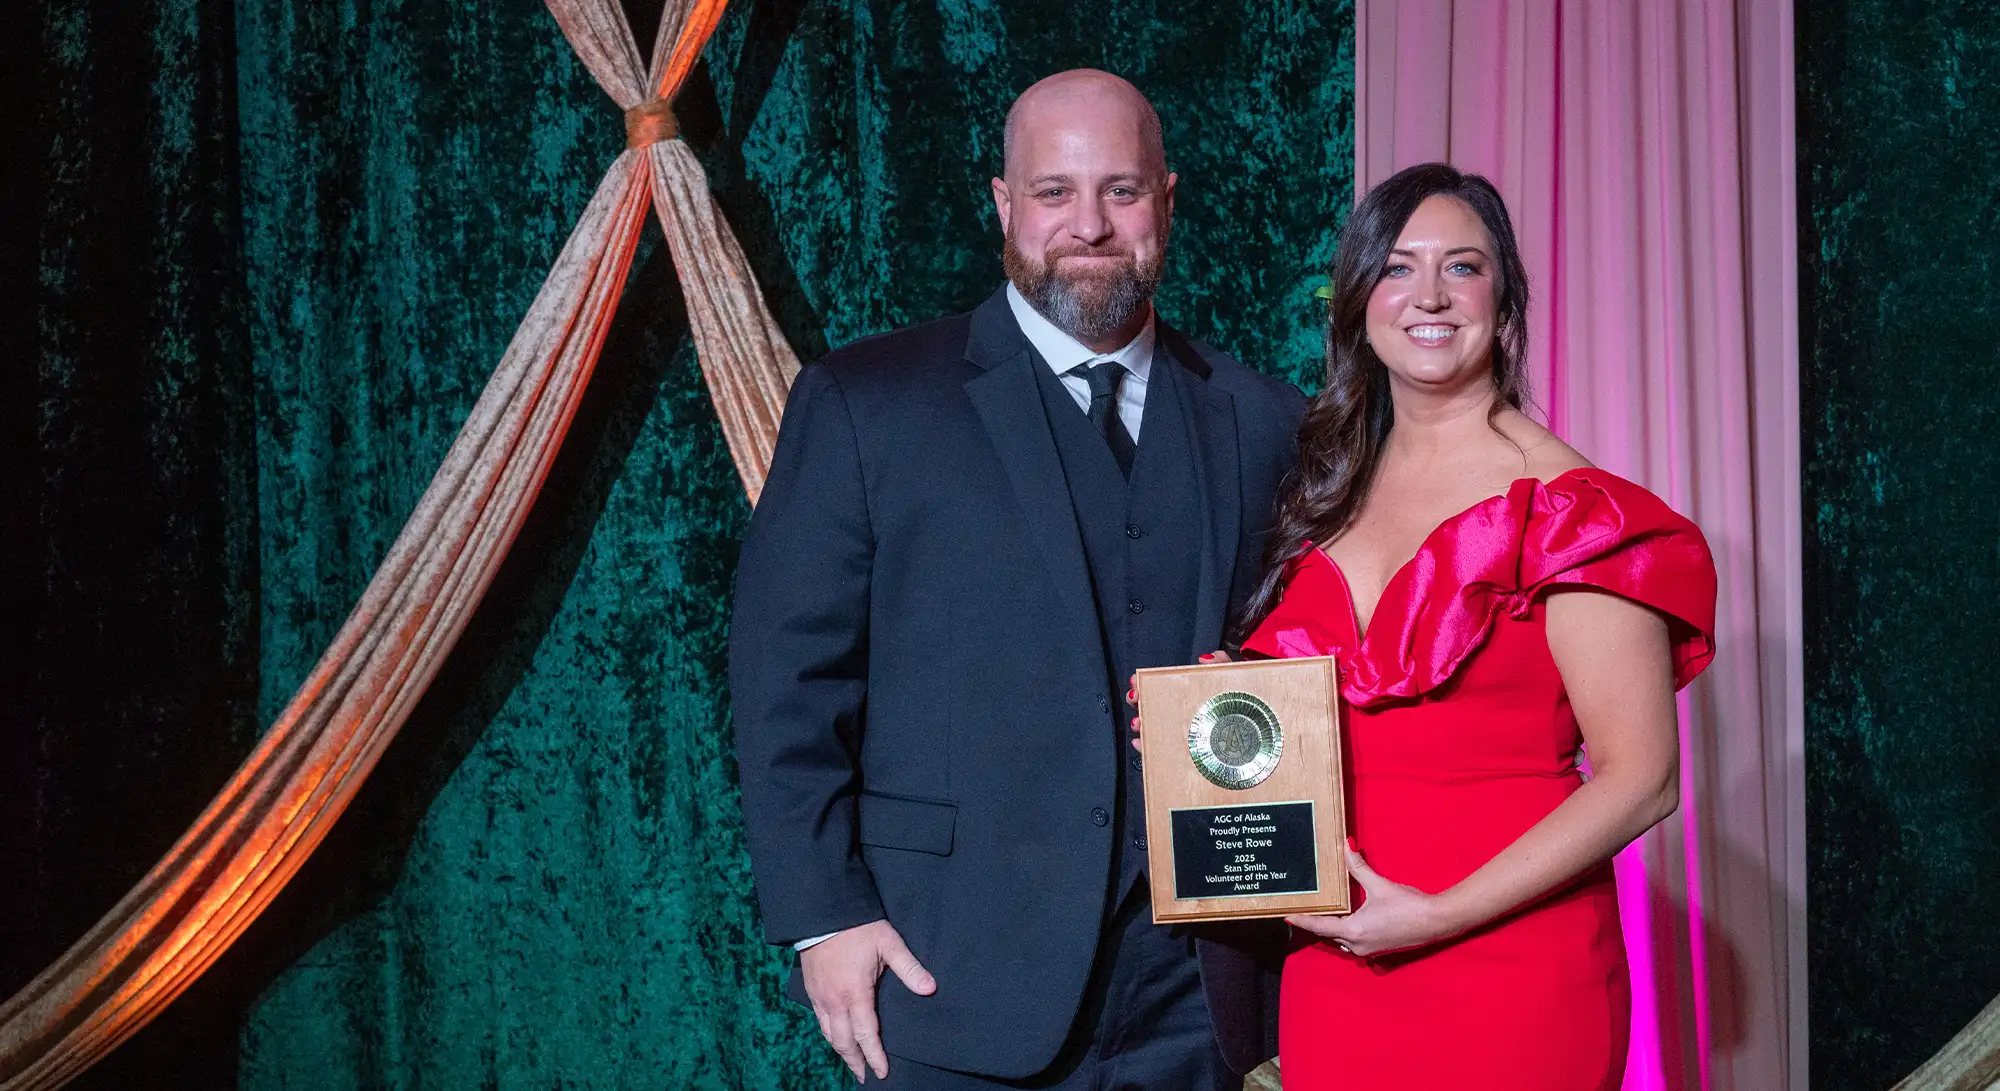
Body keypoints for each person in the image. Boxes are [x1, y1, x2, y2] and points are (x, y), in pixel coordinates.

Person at [729, 70, 1306, 1089]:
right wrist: (826, 913)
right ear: (1002, 204)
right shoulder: (866, 403)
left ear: (1166, 201)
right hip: (950, 968)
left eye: (1121, 191)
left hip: (1198, 992)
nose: (1088, 224)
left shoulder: (1260, 418)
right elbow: (786, 681)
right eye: (1053, 192)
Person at [1179, 163, 1718, 1089]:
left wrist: (1436, 914)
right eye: (1397, 268)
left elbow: (1643, 778)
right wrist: (1207, 731)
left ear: (1503, 301)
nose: (1429, 294)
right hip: (1338, 965)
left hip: (1513, 970)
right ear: (1359, 301)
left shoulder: (1572, 509)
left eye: (1461, 267)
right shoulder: (1326, 493)